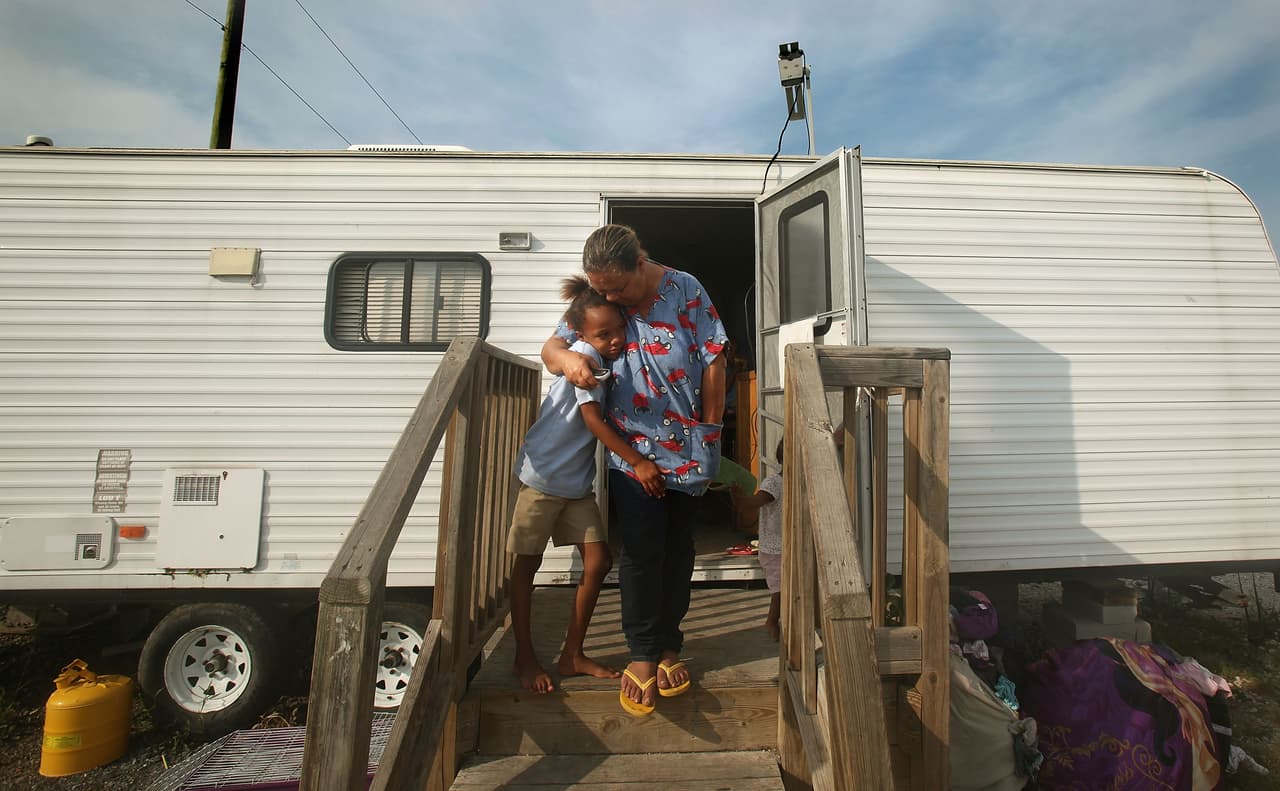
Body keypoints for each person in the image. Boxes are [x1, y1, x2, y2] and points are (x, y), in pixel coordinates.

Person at [542, 224, 728, 717]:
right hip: (633, 453)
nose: (609, 296)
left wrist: (710, 431)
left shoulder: (685, 288)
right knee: (643, 553)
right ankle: (643, 653)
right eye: (600, 287)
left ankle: (671, 647)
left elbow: (713, 357)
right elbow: (552, 349)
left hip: (689, 446)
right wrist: (569, 363)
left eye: (616, 286)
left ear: (639, 264)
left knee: (680, 550)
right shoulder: (601, 299)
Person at [507, 277, 630, 693]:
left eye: (618, 330)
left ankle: (572, 654)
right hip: (542, 476)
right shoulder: (583, 356)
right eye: (604, 334)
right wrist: (637, 460)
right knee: (526, 564)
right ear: (580, 333)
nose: (615, 340)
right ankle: (524, 654)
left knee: (598, 561)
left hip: (576, 482)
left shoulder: (602, 351)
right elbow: (594, 421)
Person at [731, 440, 784, 641]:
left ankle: (779, 620)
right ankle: (772, 620)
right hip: (774, 548)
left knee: (787, 587)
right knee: (780, 589)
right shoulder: (773, 483)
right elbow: (755, 502)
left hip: (789, 546)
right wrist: (742, 501)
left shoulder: (800, 481)